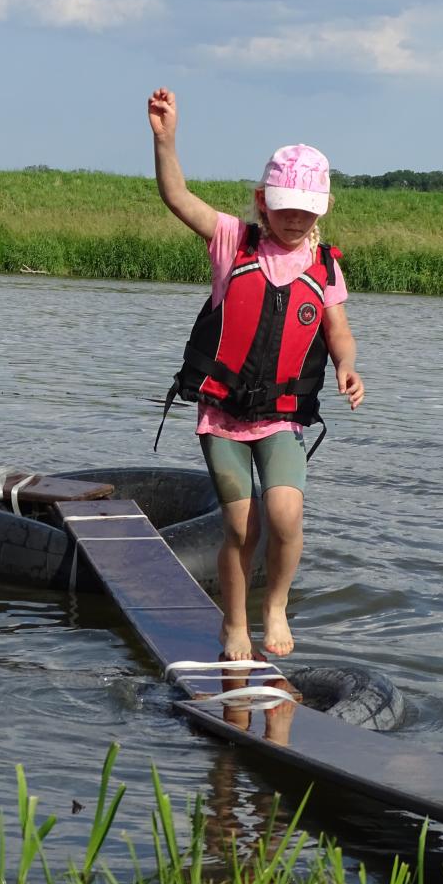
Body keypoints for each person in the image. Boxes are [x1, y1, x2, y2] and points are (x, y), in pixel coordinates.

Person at [148, 86, 364, 662]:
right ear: (262, 201)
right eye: (284, 206)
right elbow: (176, 197)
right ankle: (235, 623)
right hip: (222, 416)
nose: (294, 218)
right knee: (241, 528)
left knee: (285, 515)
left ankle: (276, 606)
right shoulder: (231, 242)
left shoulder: (325, 266)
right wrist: (166, 139)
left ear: (323, 208)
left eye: (306, 209)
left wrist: (347, 366)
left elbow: (338, 331)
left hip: (282, 418)